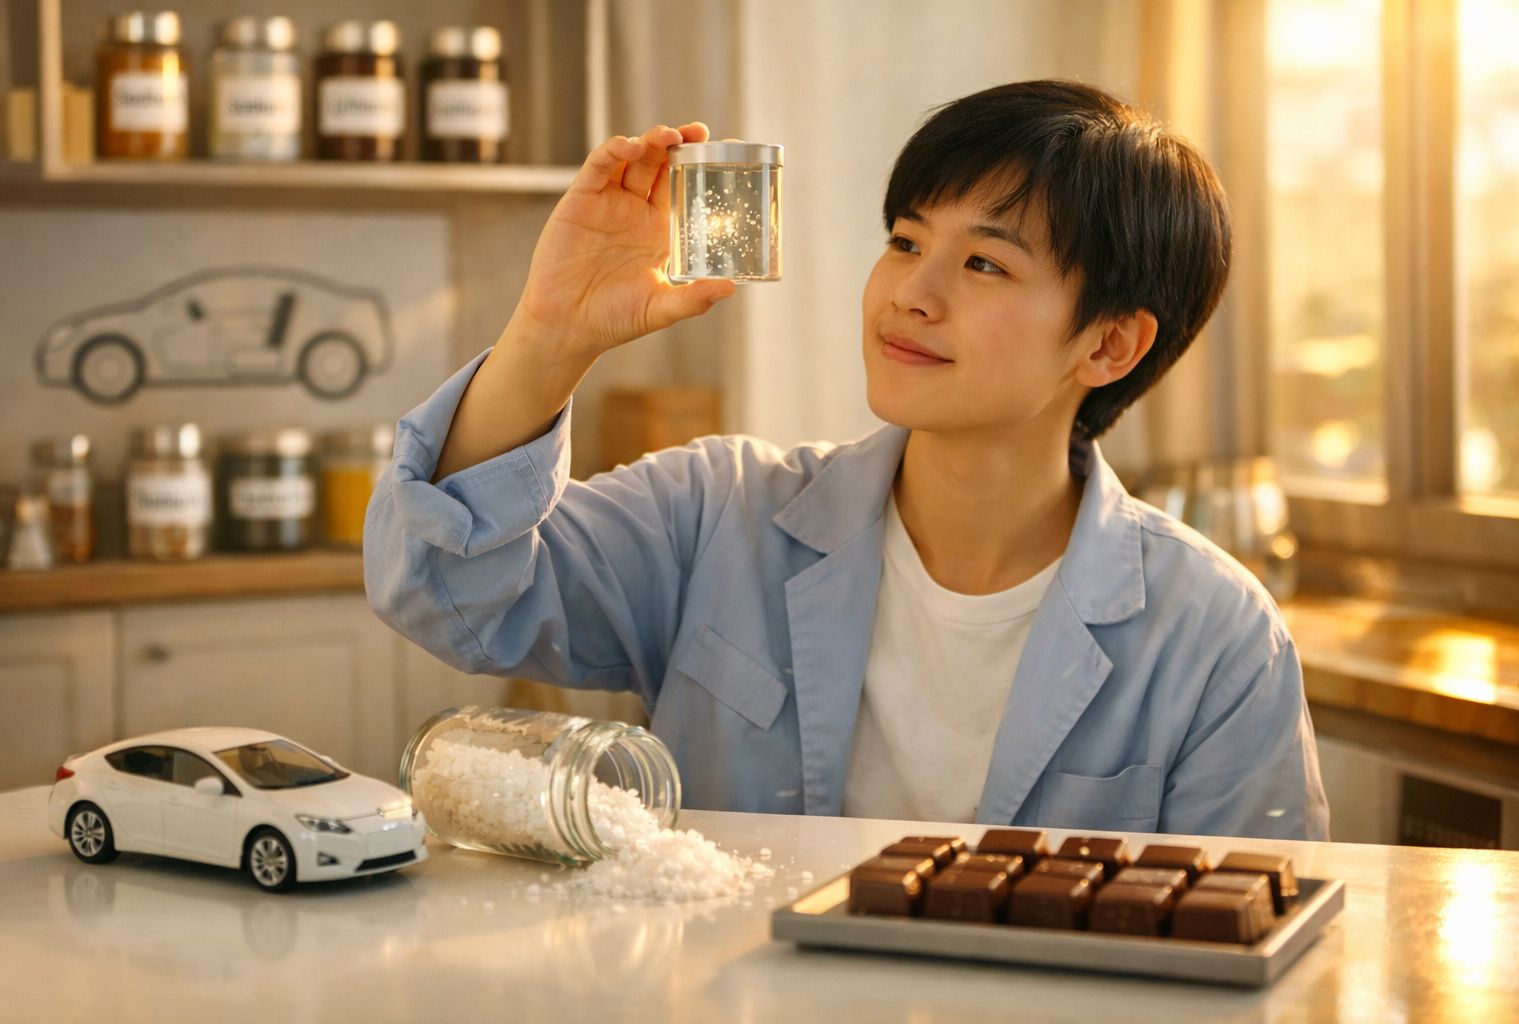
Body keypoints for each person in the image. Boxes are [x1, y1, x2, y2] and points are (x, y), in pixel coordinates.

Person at [365, 80, 1330, 840]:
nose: (910, 292)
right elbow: (443, 593)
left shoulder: (1216, 637)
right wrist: (550, 333)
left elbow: (1252, 945)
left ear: (1109, 345)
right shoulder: (718, 511)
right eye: (905, 241)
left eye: (984, 263)